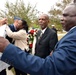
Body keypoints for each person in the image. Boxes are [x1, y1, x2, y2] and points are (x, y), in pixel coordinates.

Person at [0, 3, 76, 75]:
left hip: (43, 66)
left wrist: (7, 48)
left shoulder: (55, 34)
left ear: (48, 21)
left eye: (65, 16)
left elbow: (52, 65)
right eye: (39, 19)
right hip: (37, 64)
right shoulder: (38, 32)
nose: (61, 19)